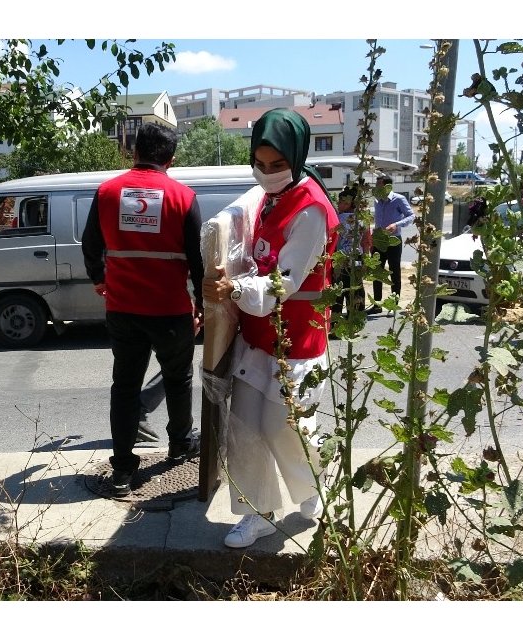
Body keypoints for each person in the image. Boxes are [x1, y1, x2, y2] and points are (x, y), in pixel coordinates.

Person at [201, 108, 340, 548]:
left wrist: (233, 287)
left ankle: (315, 485)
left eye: (277, 165)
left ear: (296, 158)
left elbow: (283, 282)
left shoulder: (312, 210)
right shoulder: (267, 199)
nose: (266, 173)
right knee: (243, 427)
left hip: (297, 338)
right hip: (258, 336)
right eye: (259, 164)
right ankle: (257, 512)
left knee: (286, 427)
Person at [81, 121, 205, 497]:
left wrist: (100, 280)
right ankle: (180, 443)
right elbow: (197, 262)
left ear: (133, 152)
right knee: (178, 379)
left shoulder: (107, 192)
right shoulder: (183, 197)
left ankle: (121, 470)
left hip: (123, 308)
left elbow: (90, 245)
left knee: (125, 387)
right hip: (171, 310)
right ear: (171, 158)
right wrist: (201, 305)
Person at [369, 173, 415, 313]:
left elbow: (411, 216)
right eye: (376, 185)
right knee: (377, 271)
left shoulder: (398, 199)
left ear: (387, 186)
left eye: (379, 185)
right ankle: (377, 305)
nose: (377, 187)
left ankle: (394, 304)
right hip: (378, 240)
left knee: (394, 271)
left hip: (394, 240)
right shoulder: (377, 201)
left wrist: (396, 224)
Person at [331, 184, 371, 316]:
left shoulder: (336, 219)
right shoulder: (363, 219)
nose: (339, 205)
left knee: (338, 290)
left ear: (349, 204)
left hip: (340, 259)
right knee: (356, 289)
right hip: (357, 259)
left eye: (342, 202)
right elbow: (366, 242)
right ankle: (355, 319)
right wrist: (366, 260)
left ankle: (335, 320)